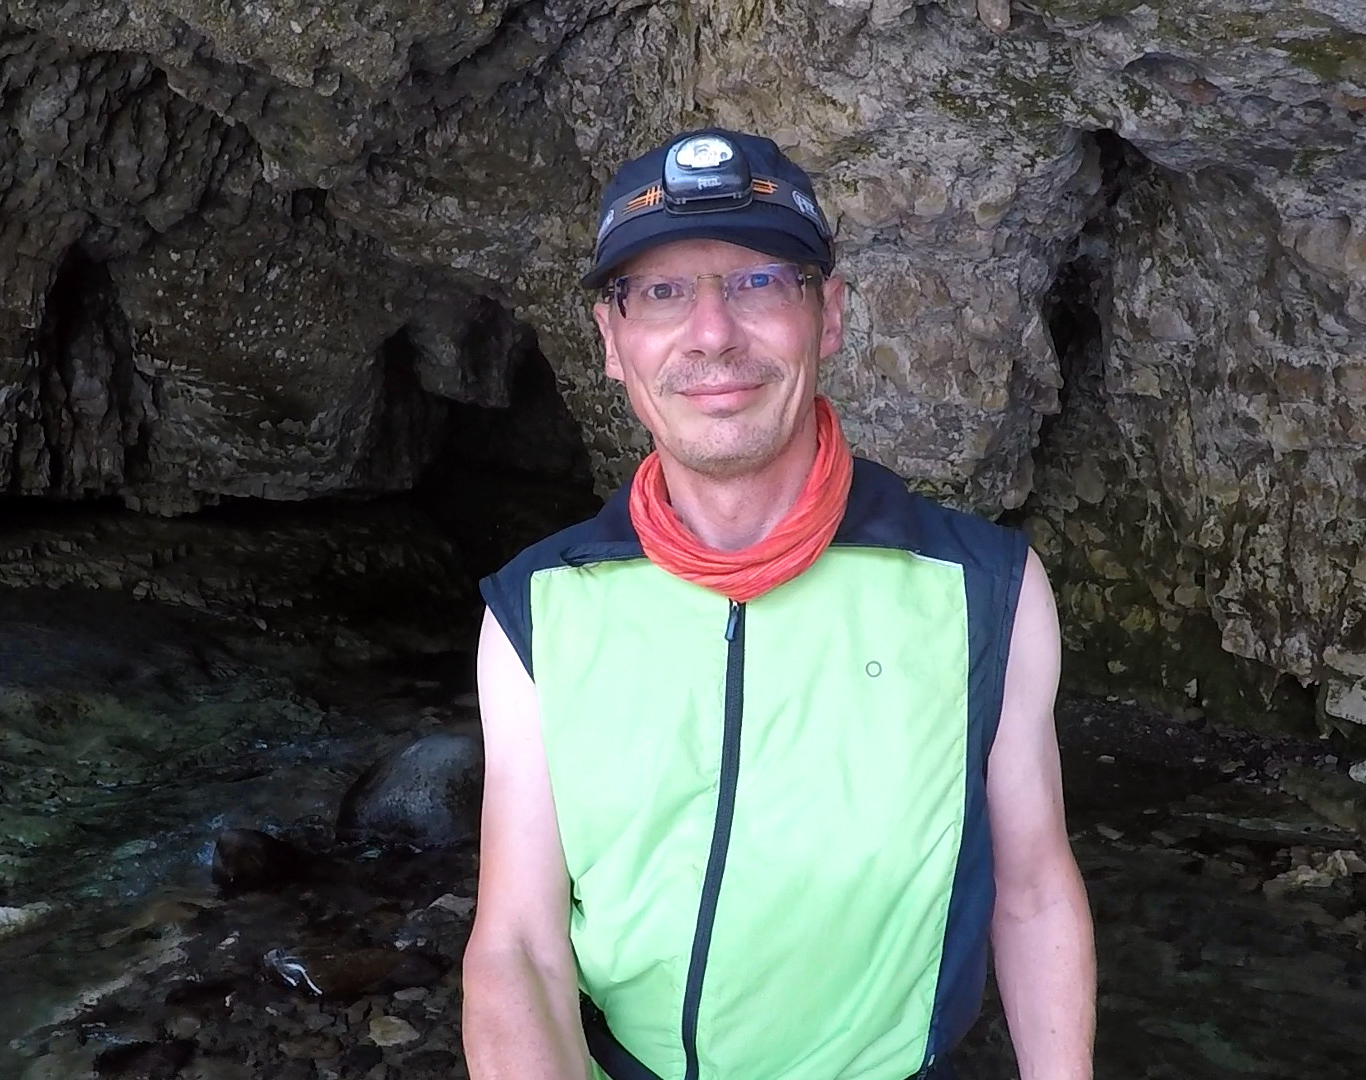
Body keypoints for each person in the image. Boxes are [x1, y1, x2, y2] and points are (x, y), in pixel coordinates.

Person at [460, 128, 1096, 1080]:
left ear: (827, 316)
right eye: (661, 292)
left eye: (759, 281)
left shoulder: (984, 589)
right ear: (611, 342)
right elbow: (518, 943)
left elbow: (1034, 892)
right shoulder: (538, 612)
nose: (713, 333)